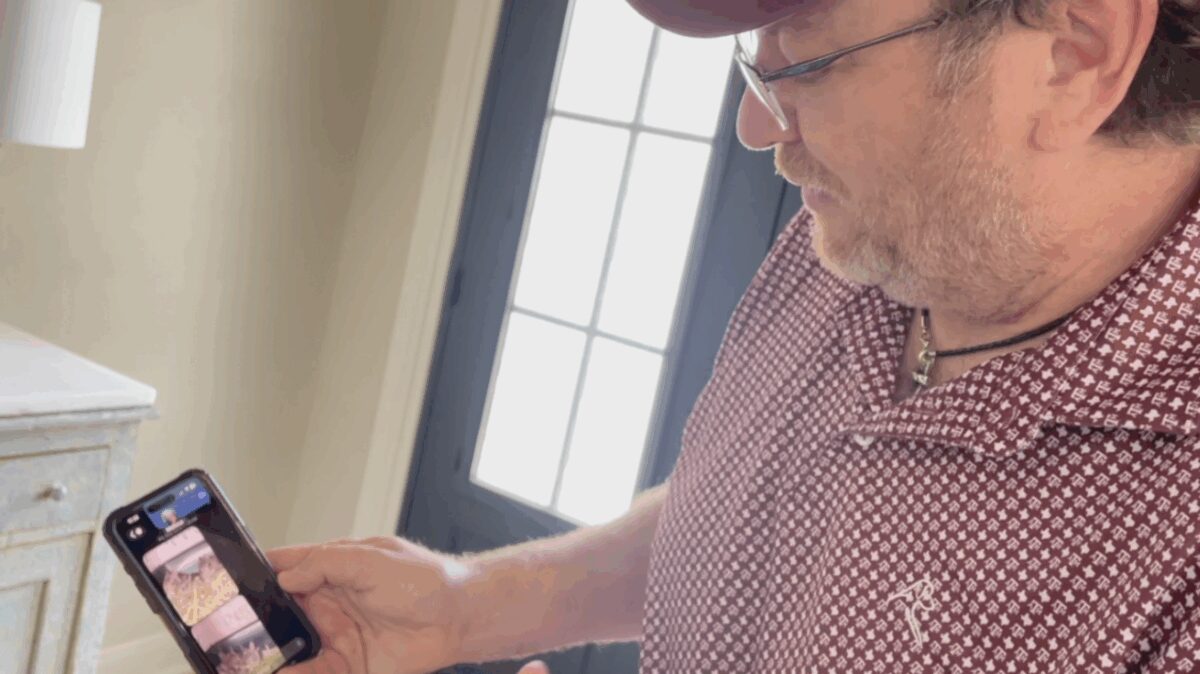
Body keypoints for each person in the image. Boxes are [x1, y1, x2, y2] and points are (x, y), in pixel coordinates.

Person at [269, 0, 1200, 671]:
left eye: (808, 61)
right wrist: (468, 607)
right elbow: (752, 511)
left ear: (1074, 52)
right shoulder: (872, 231)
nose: (758, 124)